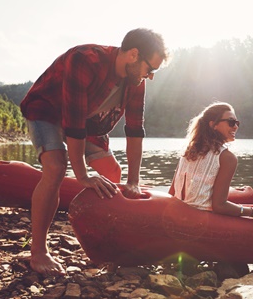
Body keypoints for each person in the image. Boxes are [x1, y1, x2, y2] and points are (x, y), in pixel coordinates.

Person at [20, 28, 168, 276]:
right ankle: (39, 252)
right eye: (150, 69)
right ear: (133, 54)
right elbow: (73, 124)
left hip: (87, 121)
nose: (150, 76)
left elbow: (134, 130)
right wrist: (83, 175)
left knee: (113, 171)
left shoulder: (136, 82)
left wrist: (133, 181)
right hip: (47, 111)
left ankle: (110, 240)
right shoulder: (85, 60)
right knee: (56, 168)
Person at [168, 102, 253, 218]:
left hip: (177, 215)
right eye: (231, 122)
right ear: (213, 125)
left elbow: (171, 194)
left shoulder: (188, 152)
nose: (235, 127)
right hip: (202, 221)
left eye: (237, 123)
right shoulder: (227, 158)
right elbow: (219, 206)